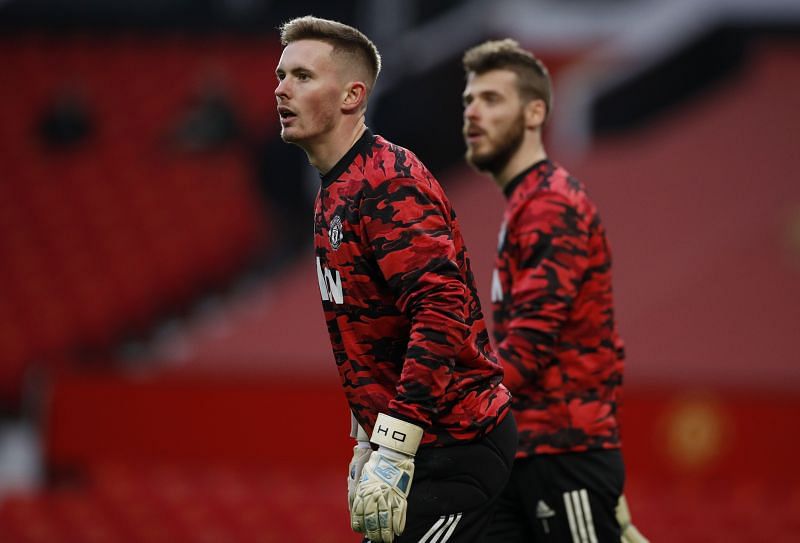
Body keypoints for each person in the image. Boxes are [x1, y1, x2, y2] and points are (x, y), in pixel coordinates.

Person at [275, 16, 517, 543]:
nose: (281, 90)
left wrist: (395, 446)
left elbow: (441, 310)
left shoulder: (387, 182)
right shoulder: (333, 195)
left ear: (351, 95)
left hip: (456, 444)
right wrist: (367, 444)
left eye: (302, 76)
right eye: (281, 75)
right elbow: (369, 339)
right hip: (427, 447)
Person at [461, 39, 648, 543]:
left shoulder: (550, 203)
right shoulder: (527, 202)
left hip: (564, 453)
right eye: (469, 101)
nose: (473, 114)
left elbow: (531, 344)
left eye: (492, 99)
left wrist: (442, 407)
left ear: (534, 112)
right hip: (528, 450)